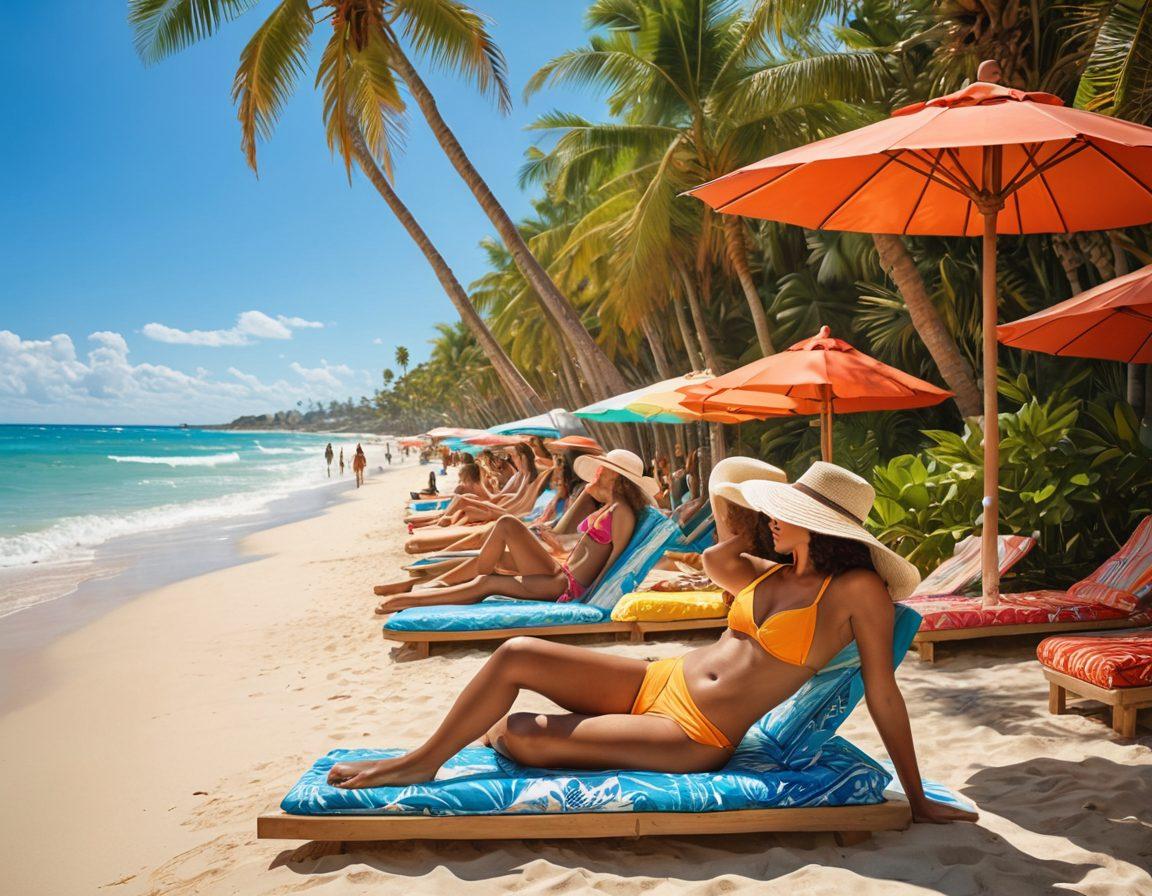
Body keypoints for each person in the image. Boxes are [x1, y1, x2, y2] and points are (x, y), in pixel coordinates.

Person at [328, 460, 978, 827]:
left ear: (816, 522)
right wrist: (748, 511)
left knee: (524, 733)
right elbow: (723, 548)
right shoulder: (776, 570)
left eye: (782, 511)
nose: (770, 520)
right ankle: (421, 761)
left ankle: (504, 735)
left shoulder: (856, 588)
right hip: (657, 679)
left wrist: (915, 796)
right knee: (516, 652)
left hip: (696, 735)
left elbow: (885, 694)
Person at [377, 449, 653, 614]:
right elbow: (588, 548)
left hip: (565, 585)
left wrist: (586, 599)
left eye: (602, 469)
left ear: (614, 475)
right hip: (561, 570)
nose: (597, 472)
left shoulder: (622, 512)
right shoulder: (611, 507)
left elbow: (613, 561)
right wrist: (558, 547)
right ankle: (425, 587)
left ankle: (414, 598)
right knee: (501, 540)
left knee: (490, 577)